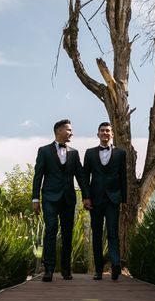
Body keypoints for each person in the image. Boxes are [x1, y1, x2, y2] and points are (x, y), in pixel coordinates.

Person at [32, 119, 90, 282]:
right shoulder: (44, 151)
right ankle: (48, 269)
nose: (72, 132)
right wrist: (35, 198)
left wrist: (86, 196)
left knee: (67, 234)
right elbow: (38, 176)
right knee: (50, 229)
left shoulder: (74, 152)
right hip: (50, 198)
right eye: (69, 130)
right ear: (59, 131)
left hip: (68, 199)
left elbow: (80, 176)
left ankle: (66, 269)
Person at [83, 122, 127, 281]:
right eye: (102, 131)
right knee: (96, 234)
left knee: (113, 232)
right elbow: (85, 177)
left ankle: (115, 264)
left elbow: (123, 177)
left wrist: (124, 200)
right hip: (95, 199)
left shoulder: (121, 154)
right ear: (98, 134)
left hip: (113, 199)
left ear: (112, 134)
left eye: (108, 131)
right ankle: (99, 270)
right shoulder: (89, 153)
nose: (105, 133)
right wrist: (86, 197)